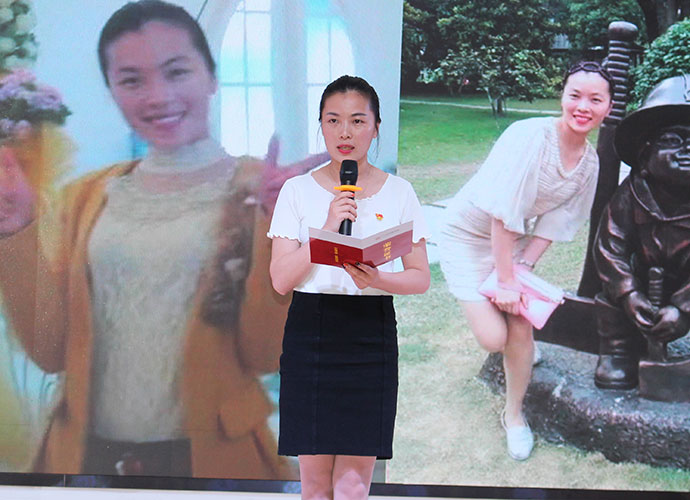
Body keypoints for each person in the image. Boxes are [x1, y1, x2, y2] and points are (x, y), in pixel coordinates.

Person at [0, 0, 310, 479]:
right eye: (131, 80)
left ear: (211, 76)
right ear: (112, 92)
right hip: (86, 460)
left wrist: (278, 229)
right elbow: (50, 350)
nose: (158, 96)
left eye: (176, 71)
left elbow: (264, 354)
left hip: (213, 462)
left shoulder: (264, 189)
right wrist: (17, 225)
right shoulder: (83, 198)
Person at [439, 61, 613, 460]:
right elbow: (504, 213)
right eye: (575, 95)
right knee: (493, 338)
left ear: (608, 106)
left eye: (595, 99)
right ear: (562, 96)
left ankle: (514, 416)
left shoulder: (589, 164)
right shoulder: (529, 136)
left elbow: (557, 221)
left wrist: (522, 270)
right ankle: (518, 347)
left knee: (520, 324)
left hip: (510, 243)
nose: (583, 106)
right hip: (467, 236)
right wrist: (505, 281)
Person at [268, 75, 430, 500]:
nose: (345, 132)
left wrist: (379, 278)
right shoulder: (296, 191)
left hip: (370, 335)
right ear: (321, 126)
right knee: (315, 486)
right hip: (311, 333)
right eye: (333, 120)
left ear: (376, 127)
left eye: (358, 121)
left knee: (354, 486)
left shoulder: (400, 192)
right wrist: (324, 231)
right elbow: (280, 280)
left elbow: (420, 277)